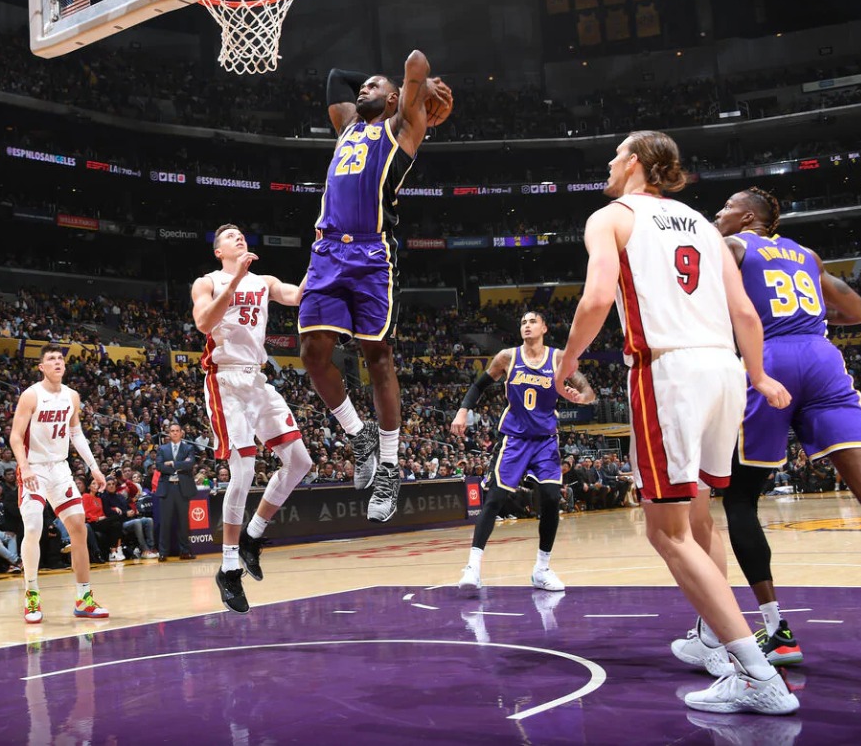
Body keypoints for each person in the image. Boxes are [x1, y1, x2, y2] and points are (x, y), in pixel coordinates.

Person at [553, 130, 797, 715]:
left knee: (665, 532)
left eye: (615, 156)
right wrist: (759, 376)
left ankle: (758, 675)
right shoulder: (703, 225)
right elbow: (743, 310)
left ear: (635, 162)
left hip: (668, 371)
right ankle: (716, 643)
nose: (609, 165)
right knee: (698, 518)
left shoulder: (610, 216)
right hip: (724, 370)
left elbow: (595, 301)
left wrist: (568, 360)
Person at [694, 187, 861, 667]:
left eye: (724, 209)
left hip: (771, 358)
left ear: (745, 218)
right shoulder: (807, 254)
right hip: (823, 356)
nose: (717, 215)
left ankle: (776, 630)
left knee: (741, 498)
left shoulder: (735, 245)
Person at [300, 55, 452, 523]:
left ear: (393, 99)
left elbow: (415, 64)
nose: (359, 89)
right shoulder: (347, 124)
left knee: (377, 356)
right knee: (311, 352)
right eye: (361, 86)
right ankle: (358, 434)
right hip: (327, 251)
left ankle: (388, 465)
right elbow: (332, 75)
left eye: (372, 86)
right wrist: (374, 79)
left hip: (370, 256)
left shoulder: (401, 131)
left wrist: (417, 85)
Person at [191, 224, 317, 613]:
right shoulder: (207, 281)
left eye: (242, 234)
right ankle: (229, 568)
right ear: (219, 251)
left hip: (256, 378)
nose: (239, 238)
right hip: (224, 379)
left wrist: (325, 254)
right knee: (243, 471)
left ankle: (253, 534)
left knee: (300, 462)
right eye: (230, 237)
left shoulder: (263, 280)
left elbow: (298, 296)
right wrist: (235, 283)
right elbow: (203, 323)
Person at [453, 311, 597, 595]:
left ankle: (542, 569)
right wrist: (462, 410)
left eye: (532, 321)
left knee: (552, 498)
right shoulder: (507, 357)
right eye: (522, 322)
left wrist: (582, 397)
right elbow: (479, 385)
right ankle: (473, 567)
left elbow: (587, 390)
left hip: (545, 440)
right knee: (494, 498)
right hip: (514, 439)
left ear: (544, 327)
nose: (527, 325)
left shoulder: (558, 358)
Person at [8, 345, 109, 624]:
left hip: (60, 468)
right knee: (33, 527)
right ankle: (31, 596)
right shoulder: (31, 395)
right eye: (51, 359)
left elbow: (76, 433)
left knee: (79, 527)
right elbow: (16, 437)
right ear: (41, 367)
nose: (57, 362)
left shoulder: (71, 396)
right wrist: (25, 467)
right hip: (34, 468)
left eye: (60, 359)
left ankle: (84, 599)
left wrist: (95, 468)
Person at [155, 422, 197, 562]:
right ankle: (163, 552)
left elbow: (190, 464)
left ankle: (185, 551)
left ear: (181, 433)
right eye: (172, 431)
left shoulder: (188, 448)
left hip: (182, 488)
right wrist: (180, 465)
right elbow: (159, 466)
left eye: (177, 430)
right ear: (169, 433)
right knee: (165, 523)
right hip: (167, 488)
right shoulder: (162, 449)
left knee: (183, 522)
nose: (174, 433)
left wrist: (172, 464)